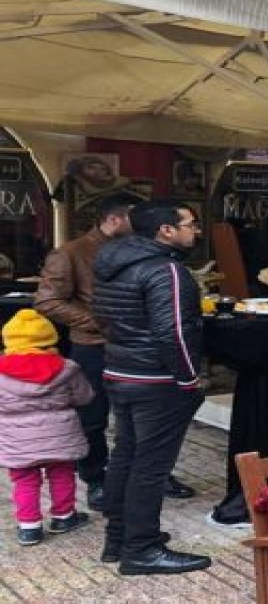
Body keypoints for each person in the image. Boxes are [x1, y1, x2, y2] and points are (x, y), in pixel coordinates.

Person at [34, 194, 193, 512]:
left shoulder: (140, 252)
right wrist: (99, 322)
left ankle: (150, 476)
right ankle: (95, 479)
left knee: (140, 421)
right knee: (94, 417)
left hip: (135, 346)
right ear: (116, 219)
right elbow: (47, 301)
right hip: (92, 345)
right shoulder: (70, 252)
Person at [92, 200, 209, 574]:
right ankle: (141, 550)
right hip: (157, 380)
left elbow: (105, 316)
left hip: (121, 372)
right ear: (166, 230)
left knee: (126, 456)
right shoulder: (167, 270)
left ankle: (119, 538)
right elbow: (172, 331)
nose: (197, 230)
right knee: (150, 466)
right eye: (190, 223)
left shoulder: (112, 260)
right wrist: (189, 377)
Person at [0, 309, 93, 546]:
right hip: (60, 432)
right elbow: (84, 397)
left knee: (24, 479)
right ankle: (64, 517)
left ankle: (29, 527)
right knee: (61, 473)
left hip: (17, 437)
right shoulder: (66, 367)